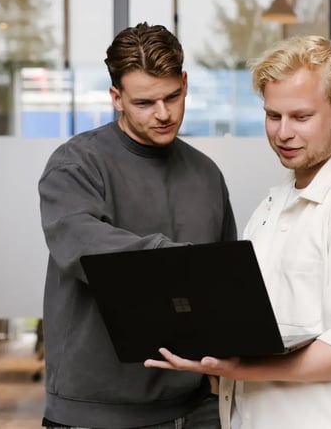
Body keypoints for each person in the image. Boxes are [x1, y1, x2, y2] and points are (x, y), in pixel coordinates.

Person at [145, 35, 331, 428]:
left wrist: (239, 369)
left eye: (301, 117)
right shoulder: (273, 207)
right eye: (274, 116)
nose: (283, 133)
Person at [38, 22, 237, 429]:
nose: (163, 114)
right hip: (96, 412)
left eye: (172, 97)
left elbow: (223, 286)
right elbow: (86, 249)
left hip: (196, 406)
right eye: (145, 102)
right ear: (117, 98)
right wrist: (180, 261)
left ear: (185, 83)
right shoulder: (75, 164)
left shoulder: (206, 174)